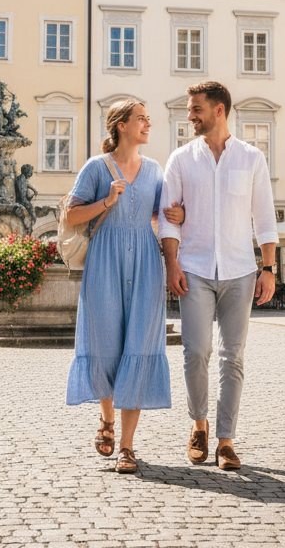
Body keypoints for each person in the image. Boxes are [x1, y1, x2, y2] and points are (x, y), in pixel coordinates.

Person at [160, 81, 277, 471]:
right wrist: (171, 264)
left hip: (241, 270)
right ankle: (199, 425)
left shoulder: (251, 158)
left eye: (196, 109)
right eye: (190, 109)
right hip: (193, 269)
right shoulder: (180, 159)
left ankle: (226, 440)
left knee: (233, 356)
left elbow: (264, 218)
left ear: (219, 110)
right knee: (196, 352)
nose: (190, 115)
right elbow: (168, 217)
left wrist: (270, 269)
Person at [64, 98, 183, 474]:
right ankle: (106, 419)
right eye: (141, 119)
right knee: (103, 343)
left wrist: (179, 214)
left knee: (140, 346)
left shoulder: (154, 171)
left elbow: (162, 216)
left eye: (149, 118)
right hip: (104, 264)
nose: (148, 124)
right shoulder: (96, 167)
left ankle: (127, 447)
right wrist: (106, 201)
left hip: (146, 264)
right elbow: (70, 214)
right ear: (120, 125)